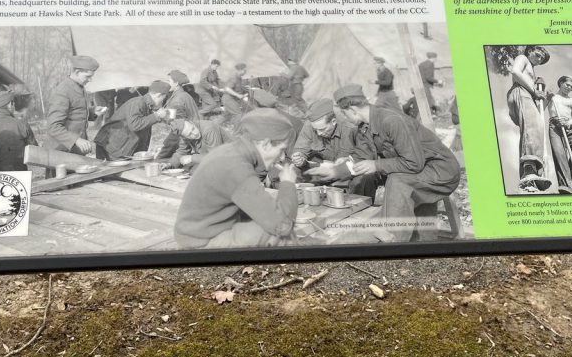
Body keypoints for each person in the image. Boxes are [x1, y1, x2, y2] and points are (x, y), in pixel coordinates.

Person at [332, 84, 460, 241]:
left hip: (440, 169)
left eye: (344, 114)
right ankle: (424, 245)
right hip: (419, 169)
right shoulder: (363, 127)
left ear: (353, 110)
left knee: (398, 181)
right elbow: (361, 158)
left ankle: (393, 239)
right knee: (371, 178)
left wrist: (376, 165)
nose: (345, 118)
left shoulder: (391, 120)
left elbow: (413, 163)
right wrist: (333, 171)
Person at [174, 109, 299, 249]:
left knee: (269, 220)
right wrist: (288, 184)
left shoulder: (231, 151)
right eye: (281, 150)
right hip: (201, 242)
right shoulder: (236, 166)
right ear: (265, 144)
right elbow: (282, 225)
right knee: (280, 234)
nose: (282, 157)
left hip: (200, 231)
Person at [293, 98, 370, 186]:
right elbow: (300, 150)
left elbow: (365, 156)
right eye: (315, 130)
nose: (319, 133)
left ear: (333, 121)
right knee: (295, 170)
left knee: (363, 178)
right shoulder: (311, 125)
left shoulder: (351, 128)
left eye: (322, 129)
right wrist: (299, 158)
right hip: (321, 169)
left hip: (345, 171)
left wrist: (340, 167)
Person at [507, 46, 552, 193]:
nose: (539, 60)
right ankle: (529, 169)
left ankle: (530, 172)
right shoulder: (523, 58)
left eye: (541, 59)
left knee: (536, 126)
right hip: (520, 92)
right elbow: (515, 71)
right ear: (530, 50)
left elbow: (539, 112)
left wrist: (546, 98)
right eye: (538, 55)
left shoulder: (532, 69)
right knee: (534, 128)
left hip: (527, 95)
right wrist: (534, 90)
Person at [93, 80, 172, 161]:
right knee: (111, 172)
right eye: (163, 98)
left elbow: (144, 124)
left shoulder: (146, 104)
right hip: (110, 147)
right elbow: (135, 125)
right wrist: (157, 116)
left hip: (119, 147)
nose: (163, 102)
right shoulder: (137, 103)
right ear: (158, 95)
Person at [46, 55, 106, 155]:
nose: (90, 80)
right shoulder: (63, 91)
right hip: (60, 151)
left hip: (74, 149)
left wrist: (92, 112)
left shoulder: (79, 87)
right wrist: (76, 140)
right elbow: (53, 127)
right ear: (77, 72)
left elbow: (74, 112)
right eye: (88, 76)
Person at [0, 90, 38, 172]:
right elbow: (34, 151)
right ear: (9, 104)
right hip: (19, 174)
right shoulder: (21, 123)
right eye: (13, 103)